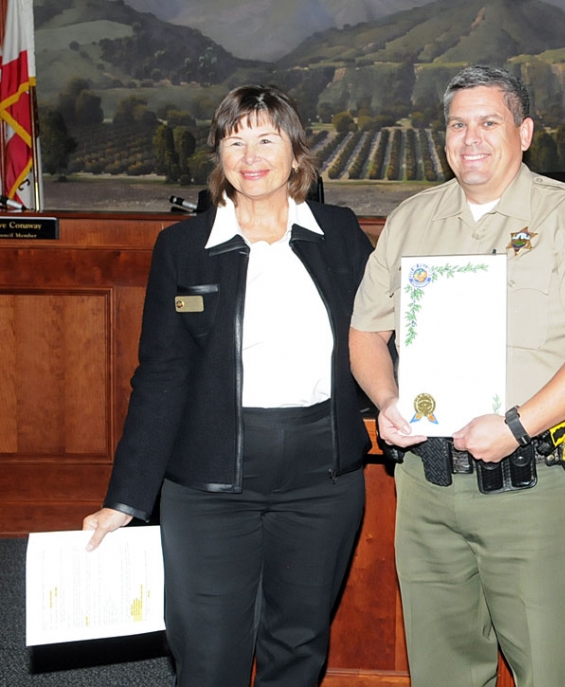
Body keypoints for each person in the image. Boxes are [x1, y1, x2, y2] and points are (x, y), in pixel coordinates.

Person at [348, 65, 565, 687]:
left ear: (525, 131)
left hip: (530, 487)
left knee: (549, 670)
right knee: (443, 671)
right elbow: (365, 333)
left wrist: (516, 425)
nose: (470, 137)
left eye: (489, 121)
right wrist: (387, 398)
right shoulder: (410, 220)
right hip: (427, 490)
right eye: (457, 124)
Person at [82, 85, 373, 687]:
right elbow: (161, 373)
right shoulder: (183, 247)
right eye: (234, 140)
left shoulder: (341, 233)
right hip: (210, 482)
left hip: (323, 480)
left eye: (267, 138)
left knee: (298, 645)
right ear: (218, 154)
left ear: (296, 154)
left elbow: (380, 338)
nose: (251, 154)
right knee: (208, 652)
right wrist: (125, 498)